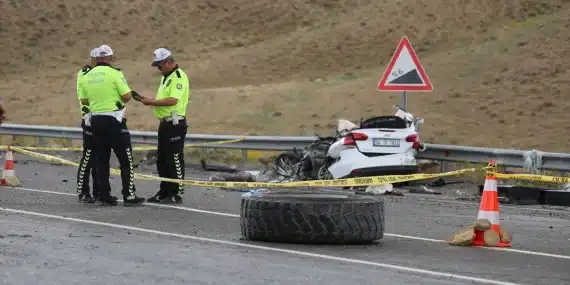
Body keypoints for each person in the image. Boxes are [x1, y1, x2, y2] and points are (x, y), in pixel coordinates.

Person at [78, 44, 145, 206]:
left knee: (101, 160)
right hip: (114, 120)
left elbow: (84, 100)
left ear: (97, 59)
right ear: (109, 58)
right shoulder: (115, 73)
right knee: (125, 159)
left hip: (95, 121)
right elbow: (127, 96)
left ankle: (104, 195)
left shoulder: (87, 75)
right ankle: (129, 195)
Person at [135, 48, 190, 204]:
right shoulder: (166, 78)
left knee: (174, 158)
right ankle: (164, 190)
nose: (158, 69)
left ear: (168, 62)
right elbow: (164, 100)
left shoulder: (178, 77)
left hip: (175, 123)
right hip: (165, 123)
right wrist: (151, 99)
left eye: (160, 65)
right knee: (163, 159)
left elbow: (173, 100)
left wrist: (151, 102)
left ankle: (176, 192)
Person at [76, 47, 101, 203]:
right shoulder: (85, 73)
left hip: (101, 118)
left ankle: (98, 190)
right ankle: (83, 190)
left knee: (100, 157)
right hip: (89, 118)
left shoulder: (102, 74)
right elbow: (84, 97)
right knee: (88, 156)